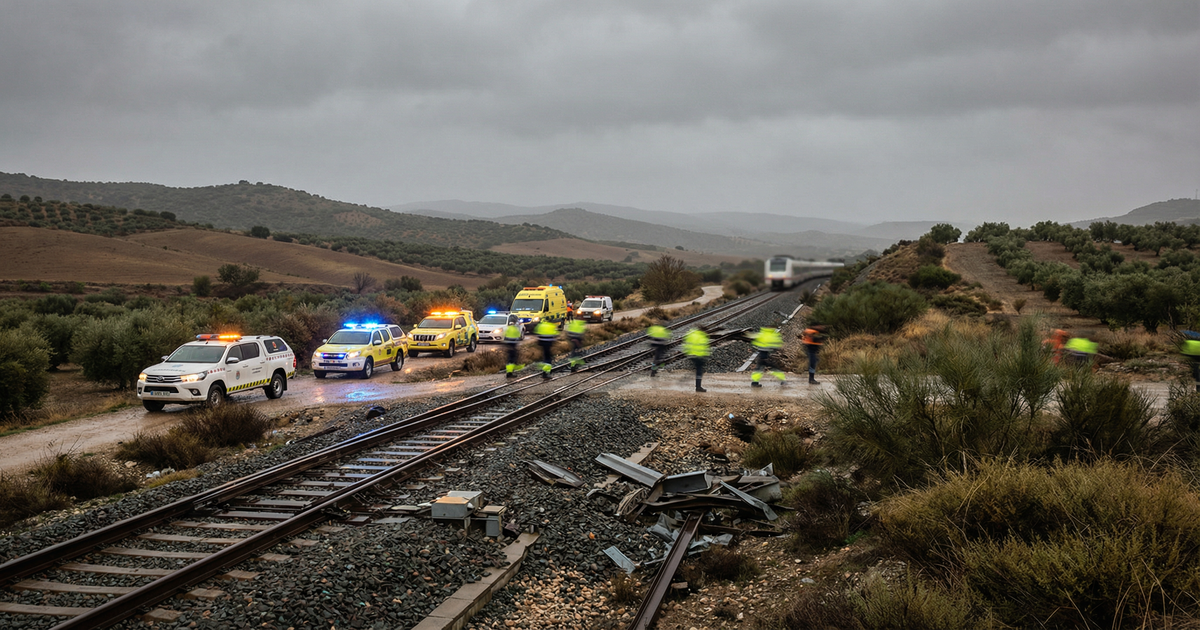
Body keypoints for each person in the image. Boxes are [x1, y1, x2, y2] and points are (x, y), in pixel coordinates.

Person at [683, 326, 710, 393]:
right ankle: (698, 387)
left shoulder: (692, 334)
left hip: (691, 355)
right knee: (699, 371)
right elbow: (704, 347)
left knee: (698, 370)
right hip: (699, 355)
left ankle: (698, 386)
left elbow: (686, 341)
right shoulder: (703, 336)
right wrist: (706, 356)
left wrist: (687, 352)